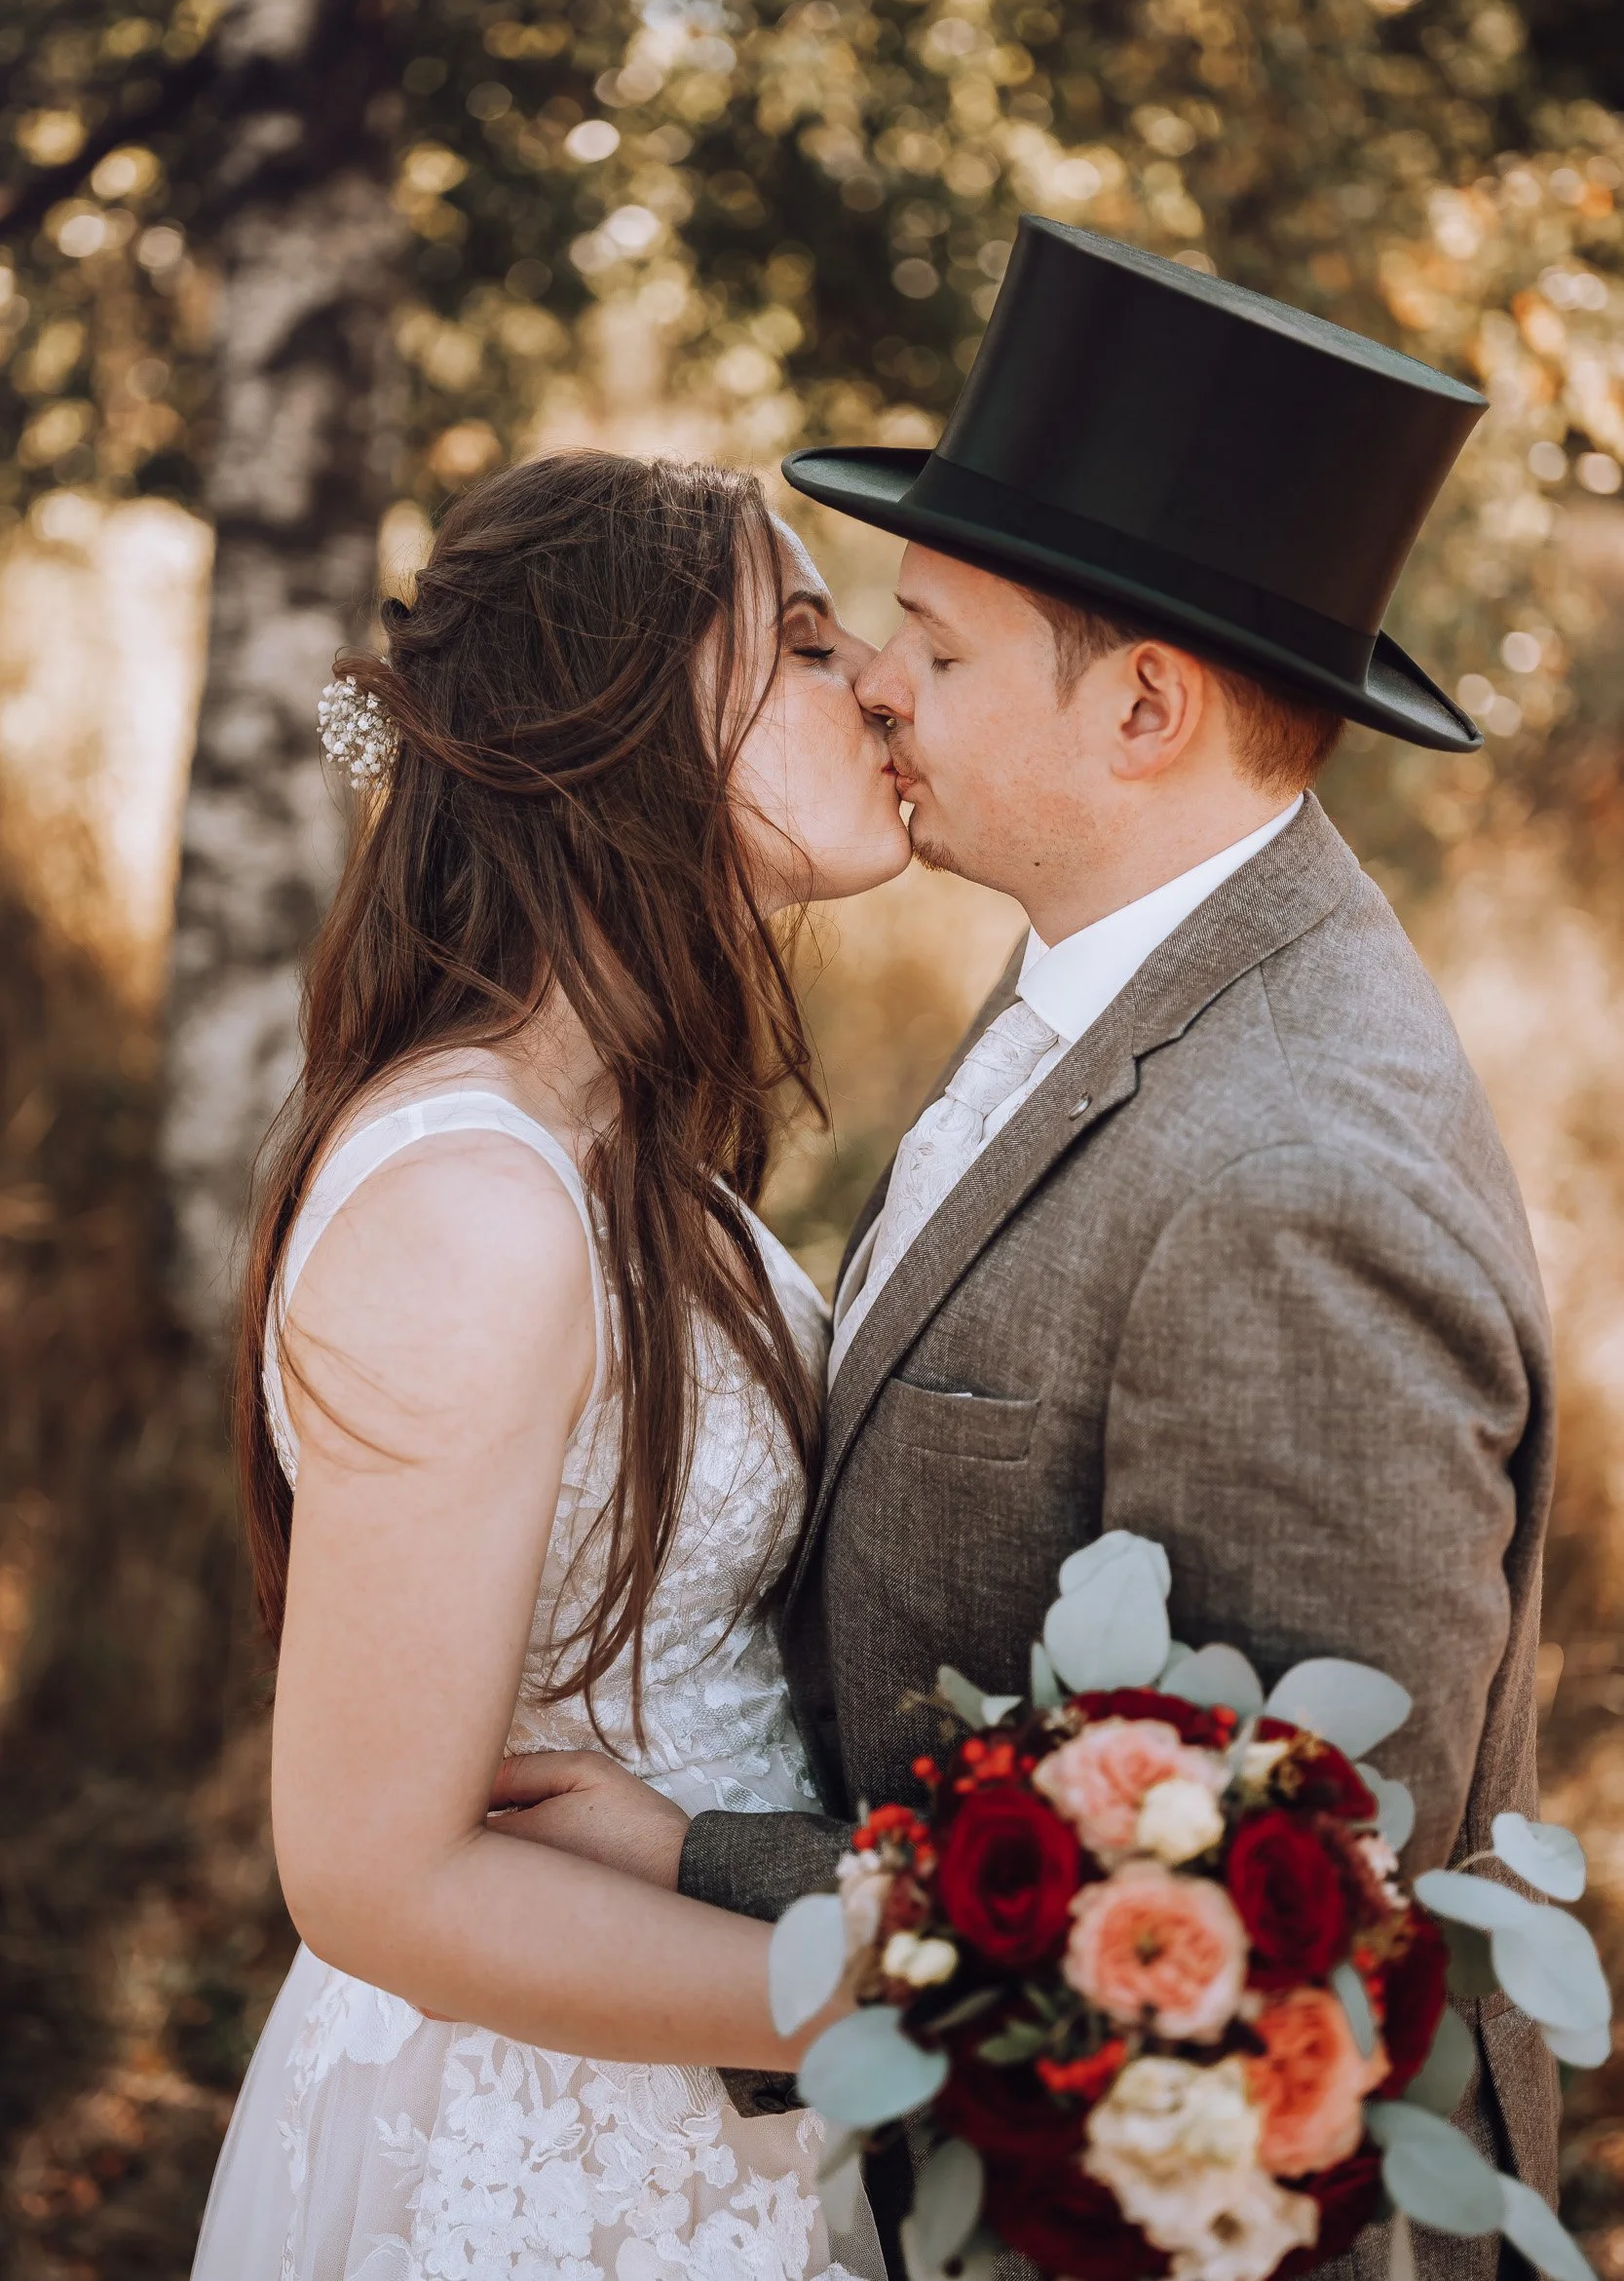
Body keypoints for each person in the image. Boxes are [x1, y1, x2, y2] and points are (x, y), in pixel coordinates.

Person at [494, 224, 1561, 2281]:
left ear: (1144, 704)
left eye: (937, 642)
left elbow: (1271, 1931)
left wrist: (704, 1858)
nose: (875, 683)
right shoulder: (1117, 969)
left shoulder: (1290, 1185)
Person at [190, 450, 911, 2281]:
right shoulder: (470, 1210)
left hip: (716, 2079)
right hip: (537, 2142)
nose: (881, 685)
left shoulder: (633, 1151)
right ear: (620, 717)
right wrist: (904, 2011)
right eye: (805, 642)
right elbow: (375, 1877)